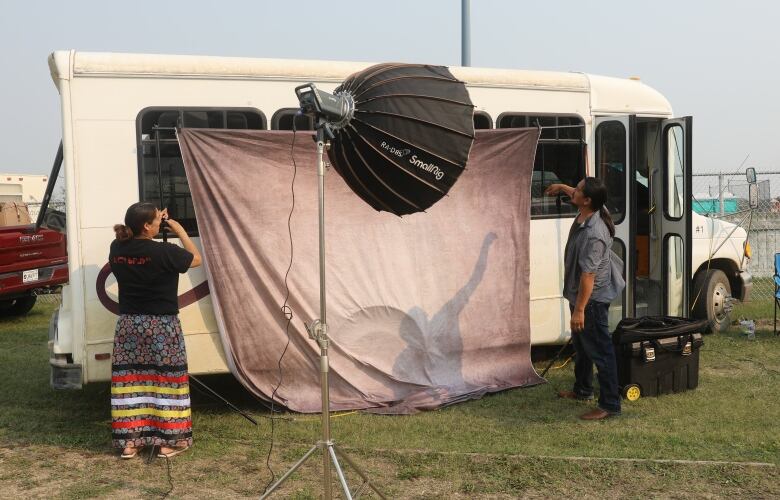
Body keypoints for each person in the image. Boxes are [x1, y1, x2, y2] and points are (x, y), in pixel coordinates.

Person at [109, 202, 202, 458]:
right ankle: (170, 441)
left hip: (129, 324)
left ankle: (130, 442)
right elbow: (196, 259)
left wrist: (155, 219)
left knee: (131, 381)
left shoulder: (117, 248)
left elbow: (138, 244)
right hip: (161, 325)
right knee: (168, 380)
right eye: (156, 221)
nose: (160, 223)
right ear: (147, 226)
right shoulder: (165, 252)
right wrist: (180, 230)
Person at [544, 178, 625, 420]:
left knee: (601, 351)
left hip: (591, 300)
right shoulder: (594, 209)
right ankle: (583, 389)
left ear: (587, 200)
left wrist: (579, 310)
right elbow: (577, 192)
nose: (574, 191)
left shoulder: (593, 233)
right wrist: (561, 187)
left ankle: (610, 404)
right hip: (580, 296)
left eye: (578, 190)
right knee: (582, 345)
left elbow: (588, 276)